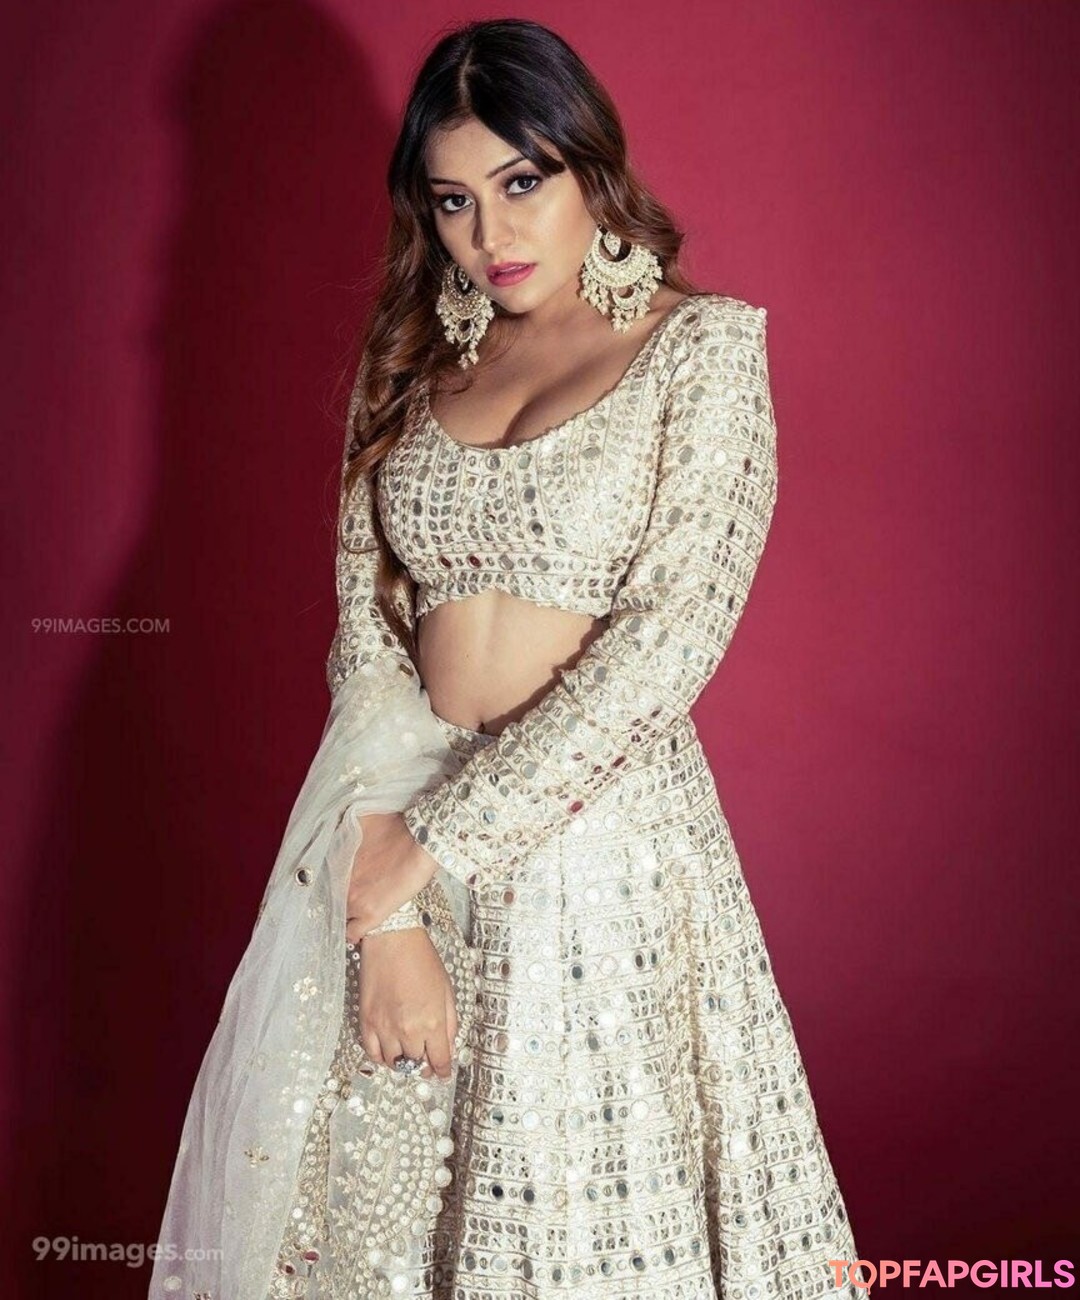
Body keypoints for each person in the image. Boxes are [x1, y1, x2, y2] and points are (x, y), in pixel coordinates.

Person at [150, 17, 865, 1300]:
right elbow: (367, 634)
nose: (492, 233)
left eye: (522, 181)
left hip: (597, 864)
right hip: (394, 837)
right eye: (454, 200)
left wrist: (433, 845)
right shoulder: (413, 367)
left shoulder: (700, 355)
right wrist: (386, 903)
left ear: (591, 164)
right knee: (377, 1238)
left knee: (572, 1238)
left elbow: (669, 643)